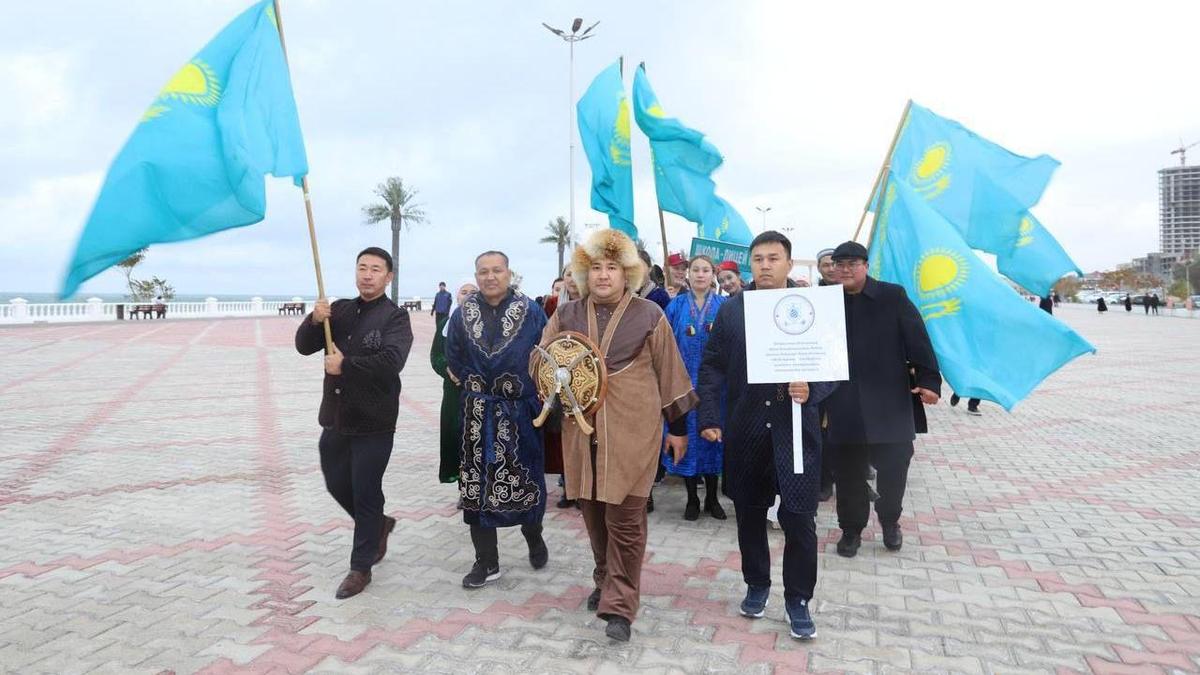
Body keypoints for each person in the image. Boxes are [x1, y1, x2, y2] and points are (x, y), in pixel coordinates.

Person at [536, 228, 696, 642]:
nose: (603, 276)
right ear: (583, 274)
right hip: (580, 435)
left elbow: (671, 373)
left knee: (626, 518)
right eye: (595, 268)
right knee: (593, 516)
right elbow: (542, 366)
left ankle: (621, 606)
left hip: (633, 434)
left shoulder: (649, 315)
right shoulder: (566, 316)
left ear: (628, 274)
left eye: (612, 268)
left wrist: (677, 430)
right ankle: (604, 576)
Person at [698, 231, 837, 641]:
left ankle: (798, 599)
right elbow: (712, 367)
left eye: (773, 258)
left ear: (789, 263)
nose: (765, 265)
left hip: (796, 429)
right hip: (748, 428)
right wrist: (710, 415)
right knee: (750, 514)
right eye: (758, 258)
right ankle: (757, 584)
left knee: (799, 518)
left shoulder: (813, 308)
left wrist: (813, 389)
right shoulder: (733, 311)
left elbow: (833, 365)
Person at [294, 247, 414, 599]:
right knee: (335, 482)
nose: (367, 275)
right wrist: (314, 321)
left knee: (365, 491)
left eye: (376, 269)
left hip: (374, 420)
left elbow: (392, 361)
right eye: (362, 267)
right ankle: (379, 524)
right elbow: (303, 347)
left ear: (388, 277)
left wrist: (345, 365)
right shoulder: (340, 310)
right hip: (335, 417)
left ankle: (360, 567)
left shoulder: (396, 318)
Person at [824, 241, 941, 558]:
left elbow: (917, 338)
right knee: (848, 475)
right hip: (842, 404)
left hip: (889, 402)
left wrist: (930, 381)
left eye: (852, 263)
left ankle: (890, 522)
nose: (845, 269)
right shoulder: (825, 301)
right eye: (840, 263)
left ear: (866, 265)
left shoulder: (893, 296)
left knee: (894, 470)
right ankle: (851, 531)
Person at [446, 251, 549, 588]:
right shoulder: (463, 314)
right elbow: (454, 358)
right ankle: (486, 562)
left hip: (520, 413)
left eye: (497, 271)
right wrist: (474, 385)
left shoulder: (531, 311)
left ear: (509, 273)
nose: (490, 277)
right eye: (483, 272)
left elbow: (544, 356)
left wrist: (528, 391)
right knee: (475, 489)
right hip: (477, 413)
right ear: (476, 276)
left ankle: (534, 536)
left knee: (527, 482)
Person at [662, 255, 727, 521]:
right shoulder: (675, 306)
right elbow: (663, 345)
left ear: (713, 274)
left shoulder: (725, 306)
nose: (700, 274)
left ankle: (712, 498)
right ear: (687, 274)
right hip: (683, 387)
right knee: (687, 440)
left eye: (706, 270)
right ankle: (691, 499)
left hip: (716, 388)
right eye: (695, 270)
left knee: (712, 440)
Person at [431, 279, 478, 490]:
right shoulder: (444, 324)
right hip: (452, 392)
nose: (467, 295)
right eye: (463, 291)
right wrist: (448, 370)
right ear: (456, 297)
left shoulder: (488, 323)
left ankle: (479, 484)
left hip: (479, 391)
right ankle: (463, 485)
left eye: (472, 291)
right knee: (455, 436)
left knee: (477, 438)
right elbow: (436, 355)